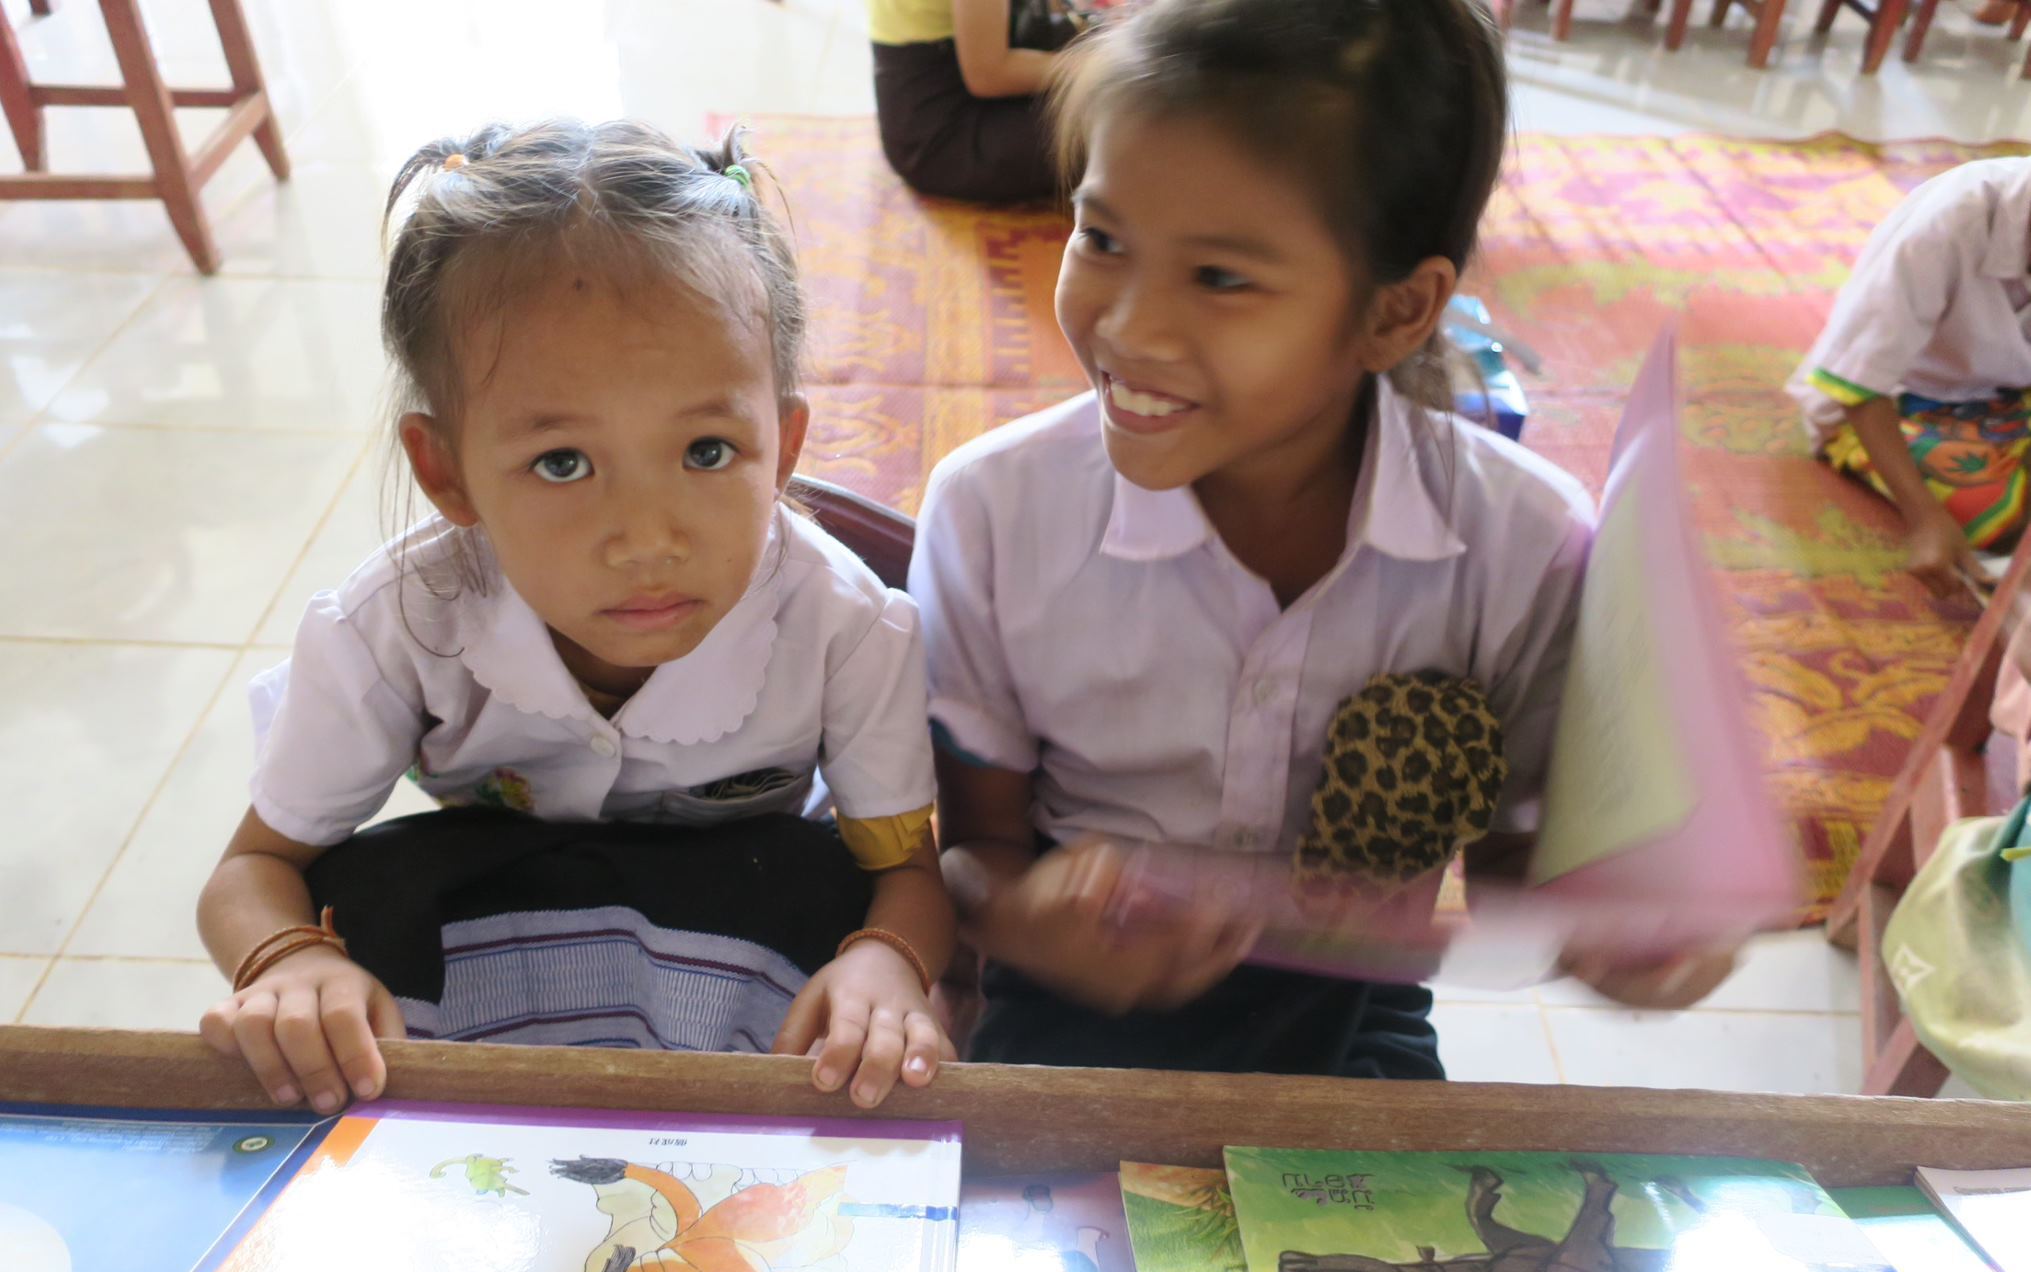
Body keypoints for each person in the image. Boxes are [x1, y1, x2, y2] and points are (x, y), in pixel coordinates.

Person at [912, 0, 1735, 1080]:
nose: (1129, 326)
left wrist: (1620, 935)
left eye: (1220, 278)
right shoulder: (990, 514)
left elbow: (1514, 865)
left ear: (1396, 313)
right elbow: (973, 853)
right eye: (1102, 239)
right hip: (1068, 1002)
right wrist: (1027, 917)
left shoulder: (1523, 549)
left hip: (1357, 1021)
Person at [195, 119, 955, 1116]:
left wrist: (889, 962)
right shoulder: (390, 628)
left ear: (783, 443)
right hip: (500, 921)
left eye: (707, 452)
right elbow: (252, 870)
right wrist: (289, 961)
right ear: (446, 471)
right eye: (563, 463)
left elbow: (908, 876)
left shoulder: (850, 629)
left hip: (746, 922)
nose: (645, 539)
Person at [1788, 155, 2031, 598]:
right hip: (1902, 397)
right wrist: (1924, 517)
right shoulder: (1951, 220)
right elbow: (1857, 383)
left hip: (2011, 391)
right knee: (1989, 510)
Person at [869, 0, 1084, 203]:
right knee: (1099, 131)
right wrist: (1091, 66)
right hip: (940, 132)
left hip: (967, 59)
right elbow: (988, 76)